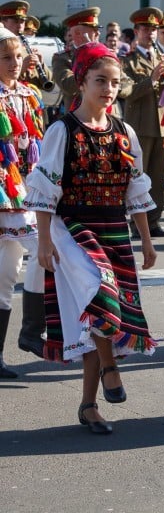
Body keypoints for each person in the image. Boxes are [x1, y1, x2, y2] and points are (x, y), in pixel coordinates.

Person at [24, 42, 158, 433]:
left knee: (101, 319)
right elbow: (45, 191)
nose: (109, 89)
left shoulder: (124, 130)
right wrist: (45, 242)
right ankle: (111, 368)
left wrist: (146, 241)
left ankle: (88, 405)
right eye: (101, 80)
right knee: (101, 298)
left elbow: (135, 191)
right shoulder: (61, 130)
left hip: (114, 228)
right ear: (81, 82)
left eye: (115, 82)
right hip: (74, 228)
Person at [0, 28, 46, 378]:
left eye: (17, 57)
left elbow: (36, 143)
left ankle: (32, 330)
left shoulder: (29, 94)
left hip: (26, 190)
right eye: (6, 58)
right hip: (3, 190)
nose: (15, 63)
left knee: (46, 251)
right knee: (4, 274)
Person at [121, 7, 164, 239]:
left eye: (154, 29)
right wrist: (152, 79)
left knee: (158, 177)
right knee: (138, 177)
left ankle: (154, 222)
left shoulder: (163, 58)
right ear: (136, 31)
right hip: (140, 126)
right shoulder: (127, 61)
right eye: (145, 29)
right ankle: (136, 223)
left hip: (162, 127)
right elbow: (126, 91)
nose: (150, 33)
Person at [52, 8, 103, 110]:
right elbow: (68, 86)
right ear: (78, 33)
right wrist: (87, 58)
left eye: (98, 30)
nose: (98, 33)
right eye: (94, 30)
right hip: (79, 116)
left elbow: (121, 84)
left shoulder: (105, 54)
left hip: (107, 115)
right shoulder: (62, 58)